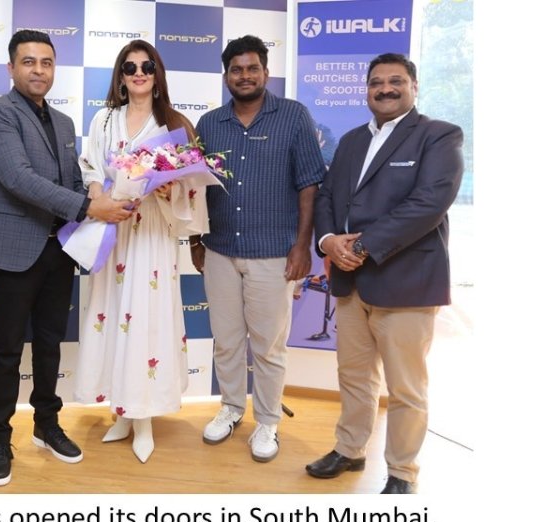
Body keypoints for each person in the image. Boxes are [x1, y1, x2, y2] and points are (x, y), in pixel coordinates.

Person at [0, 29, 135, 486]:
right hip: (16, 250)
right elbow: (18, 178)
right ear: (11, 68)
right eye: (28, 62)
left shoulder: (64, 123)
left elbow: (72, 181)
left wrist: (110, 193)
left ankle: (46, 424)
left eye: (46, 62)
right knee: (7, 350)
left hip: (59, 250)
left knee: (49, 345)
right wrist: (89, 207)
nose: (38, 70)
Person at [305, 53, 464, 494]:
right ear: (367, 90)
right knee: (354, 376)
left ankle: (402, 472)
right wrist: (328, 241)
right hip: (351, 281)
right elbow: (327, 197)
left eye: (396, 81)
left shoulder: (439, 135)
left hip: (407, 281)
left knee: (405, 387)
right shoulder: (352, 140)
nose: (386, 88)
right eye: (376, 82)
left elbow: (429, 204)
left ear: (414, 86)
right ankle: (350, 449)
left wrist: (360, 247)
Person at [193, 35, 325, 462]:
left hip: (274, 253)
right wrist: (195, 240)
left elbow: (309, 184)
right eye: (236, 69)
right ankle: (232, 408)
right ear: (226, 76)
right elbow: (193, 188)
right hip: (220, 250)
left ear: (266, 72)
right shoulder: (209, 124)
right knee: (227, 341)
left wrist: (302, 247)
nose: (245, 76)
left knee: (268, 346)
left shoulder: (293, 116)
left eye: (253, 68)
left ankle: (268, 420)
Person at [72, 40, 206, 464]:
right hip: (114, 234)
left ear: (157, 73)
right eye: (130, 67)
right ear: (121, 75)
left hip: (151, 238)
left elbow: (191, 188)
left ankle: (144, 417)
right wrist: (99, 194)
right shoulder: (104, 119)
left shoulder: (174, 124)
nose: (139, 73)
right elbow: (91, 167)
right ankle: (121, 412)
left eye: (147, 66)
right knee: (114, 318)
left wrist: (169, 191)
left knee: (146, 321)